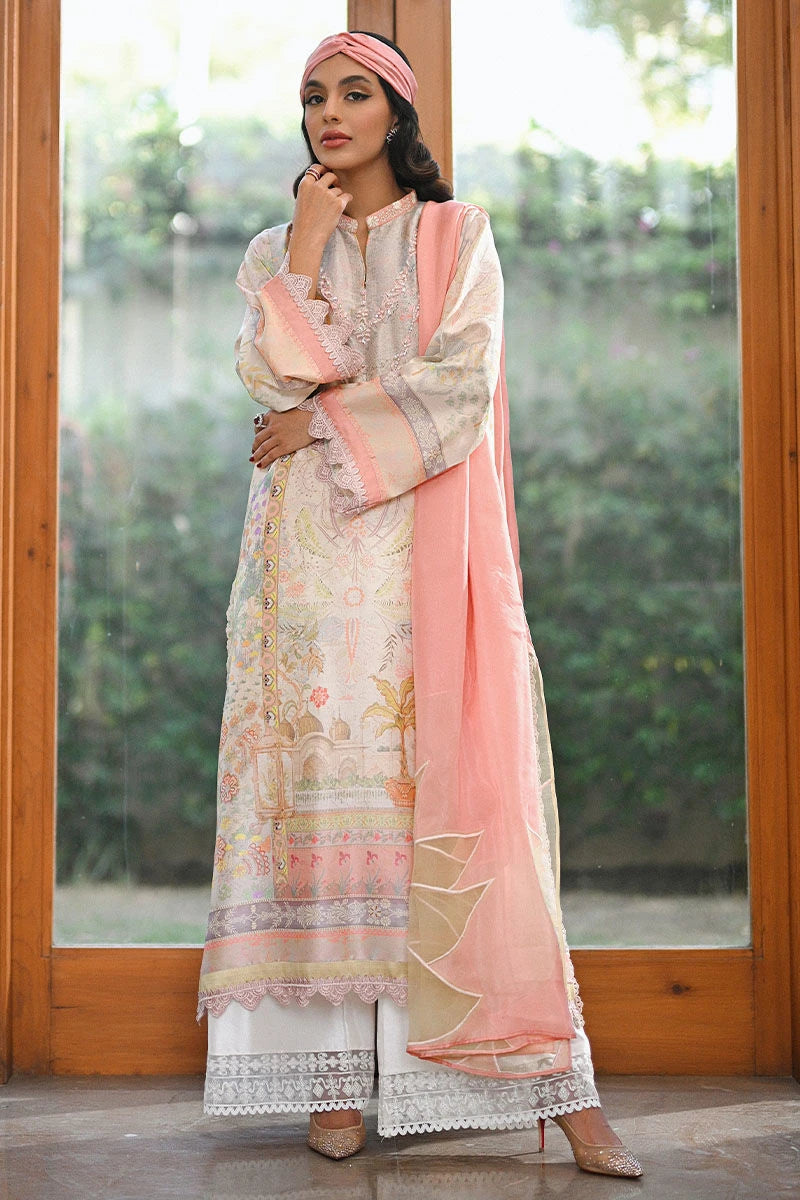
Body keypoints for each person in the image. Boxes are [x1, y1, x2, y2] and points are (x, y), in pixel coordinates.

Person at [197, 30, 642, 1179]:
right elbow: (269, 375)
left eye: (353, 94)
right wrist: (304, 247)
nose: (328, 112)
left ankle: (556, 1084)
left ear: (395, 113)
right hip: (301, 570)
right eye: (313, 96)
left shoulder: (457, 238)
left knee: (442, 807)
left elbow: (459, 385)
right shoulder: (271, 250)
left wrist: (321, 421)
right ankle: (333, 1078)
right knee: (321, 807)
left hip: (419, 560)